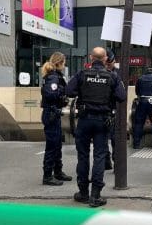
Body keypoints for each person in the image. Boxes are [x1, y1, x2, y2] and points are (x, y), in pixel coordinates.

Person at [66, 47, 126, 207]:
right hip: (102, 121)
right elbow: (122, 96)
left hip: (85, 120)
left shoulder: (82, 74)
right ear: (105, 58)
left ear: (91, 58)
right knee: (100, 156)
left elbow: (69, 91)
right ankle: (95, 195)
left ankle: (83, 192)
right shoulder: (112, 76)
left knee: (83, 156)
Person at [40, 52, 72, 186]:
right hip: (51, 114)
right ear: (59, 63)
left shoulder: (55, 76)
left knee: (57, 144)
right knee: (52, 146)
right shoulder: (53, 77)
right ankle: (47, 176)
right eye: (64, 63)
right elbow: (50, 94)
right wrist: (61, 92)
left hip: (53, 113)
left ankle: (58, 172)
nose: (64, 66)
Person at [132, 67, 152, 149]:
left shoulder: (140, 79)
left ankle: (136, 144)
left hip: (142, 102)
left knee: (139, 123)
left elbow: (137, 92)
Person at [103, 47, 118, 170]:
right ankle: (107, 161)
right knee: (103, 138)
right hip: (105, 110)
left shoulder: (117, 74)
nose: (108, 65)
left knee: (114, 139)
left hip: (112, 110)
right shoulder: (116, 74)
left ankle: (115, 161)